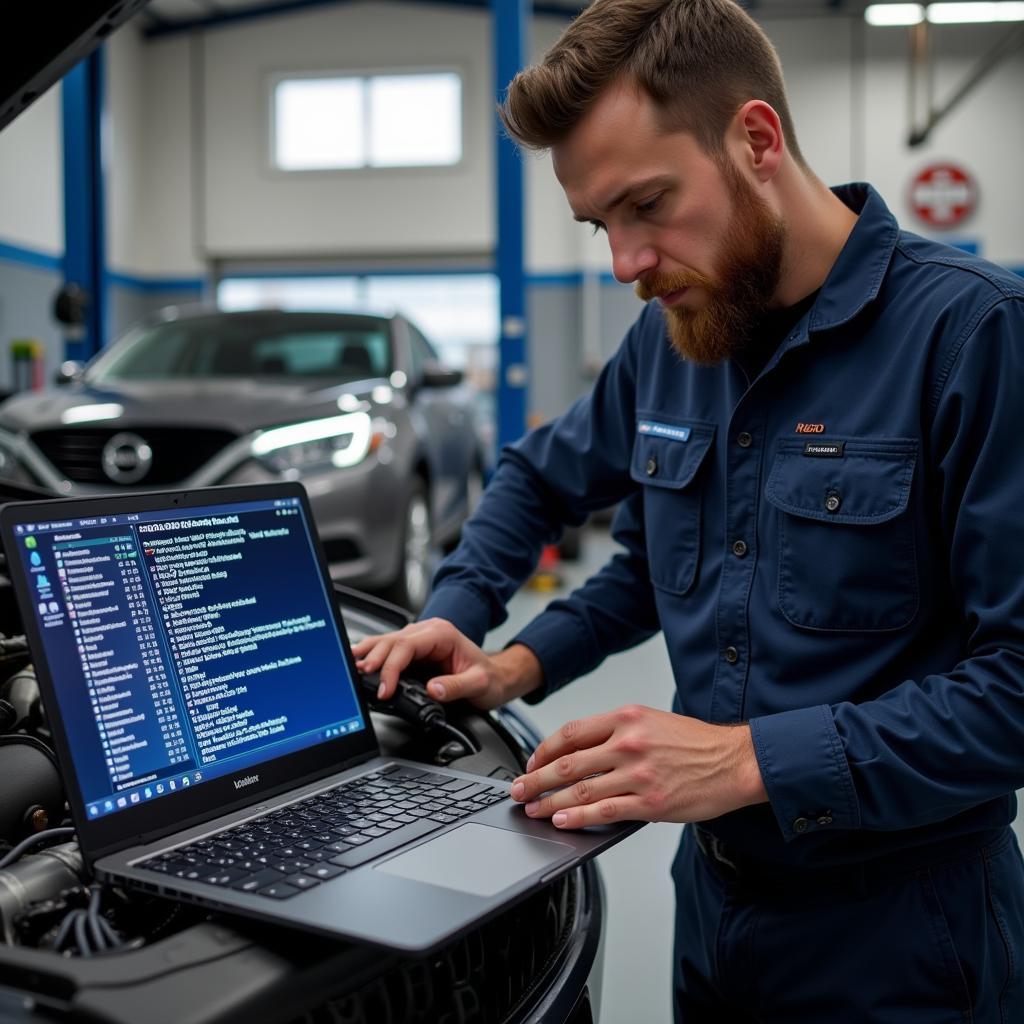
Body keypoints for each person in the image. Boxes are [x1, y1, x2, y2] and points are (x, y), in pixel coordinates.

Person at [353, 0, 1024, 1018]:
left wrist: (747, 757)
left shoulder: (973, 337)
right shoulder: (676, 334)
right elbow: (590, 515)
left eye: (647, 205)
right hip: (711, 906)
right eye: (599, 227)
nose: (625, 264)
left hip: (905, 936)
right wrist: (484, 633)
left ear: (755, 140)